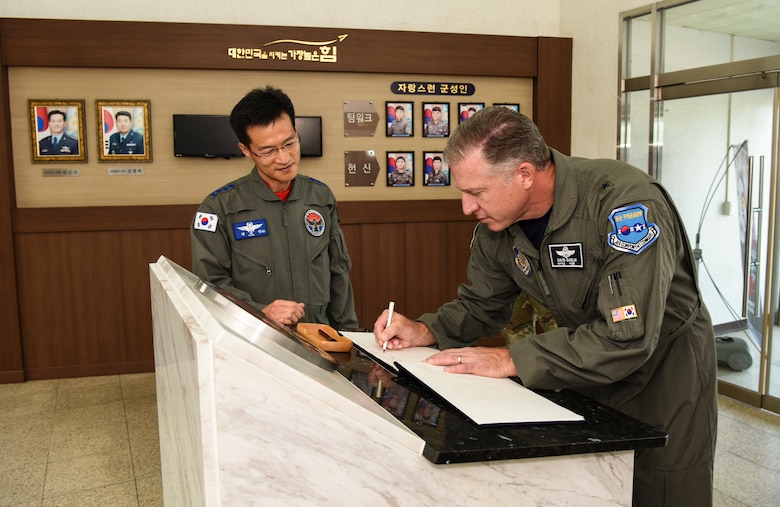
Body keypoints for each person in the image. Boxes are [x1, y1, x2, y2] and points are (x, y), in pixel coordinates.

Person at [374, 106, 717, 507]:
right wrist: (424, 329)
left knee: (660, 486)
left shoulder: (623, 203)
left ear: (524, 174)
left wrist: (509, 359)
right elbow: (481, 303)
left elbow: (627, 336)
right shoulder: (498, 224)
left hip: (663, 370)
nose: (466, 207)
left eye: (476, 192)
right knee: (593, 483)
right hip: (579, 362)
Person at [191, 86, 358, 329]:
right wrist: (260, 313)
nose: (284, 158)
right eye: (269, 151)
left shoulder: (320, 197)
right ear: (246, 150)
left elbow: (338, 273)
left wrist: (349, 335)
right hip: (255, 341)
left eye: (290, 143)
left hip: (320, 338)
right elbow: (211, 285)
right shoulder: (218, 209)